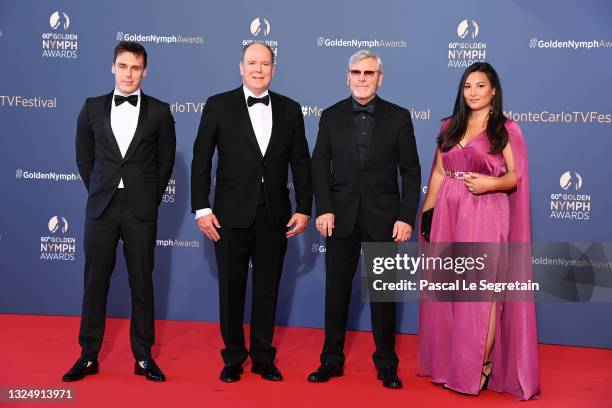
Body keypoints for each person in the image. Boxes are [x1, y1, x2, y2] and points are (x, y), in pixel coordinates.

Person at [191, 42, 312, 383]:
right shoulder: (218, 105)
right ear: (241, 67)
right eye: (252, 63)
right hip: (228, 215)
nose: (258, 69)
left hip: (275, 215)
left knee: (267, 287)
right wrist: (201, 207)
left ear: (274, 69)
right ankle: (232, 357)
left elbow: (301, 163)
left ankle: (262, 356)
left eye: (265, 64)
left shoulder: (290, 109)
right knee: (231, 287)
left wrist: (304, 207)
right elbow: (202, 160)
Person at [418, 62, 540, 399]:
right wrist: (427, 213)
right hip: (447, 210)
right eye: (467, 86)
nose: (472, 92)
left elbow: (517, 177)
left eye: (480, 86)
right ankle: (448, 366)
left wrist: (491, 183)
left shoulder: (507, 129)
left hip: (485, 211)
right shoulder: (449, 126)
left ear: (494, 90)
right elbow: (440, 173)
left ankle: (478, 366)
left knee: (481, 297)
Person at [308, 50, 421, 389]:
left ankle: (387, 364)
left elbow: (411, 172)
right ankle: (331, 360)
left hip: (383, 218)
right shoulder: (330, 116)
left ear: (379, 78)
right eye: (355, 72)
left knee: (383, 296)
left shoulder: (399, 117)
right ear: (347, 76)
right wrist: (324, 208)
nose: (361, 78)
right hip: (339, 217)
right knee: (336, 292)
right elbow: (318, 165)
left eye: (368, 73)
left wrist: (405, 216)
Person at [64, 41, 176, 382]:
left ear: (145, 71)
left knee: (142, 282)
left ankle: (143, 357)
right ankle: (88, 355)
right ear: (113, 67)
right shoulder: (92, 107)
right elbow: (84, 157)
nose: (129, 73)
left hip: (141, 209)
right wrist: (101, 188)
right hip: (102, 206)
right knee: (95, 282)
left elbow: (165, 162)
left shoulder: (159, 111)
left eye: (136, 67)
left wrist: (147, 197)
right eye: (123, 66)